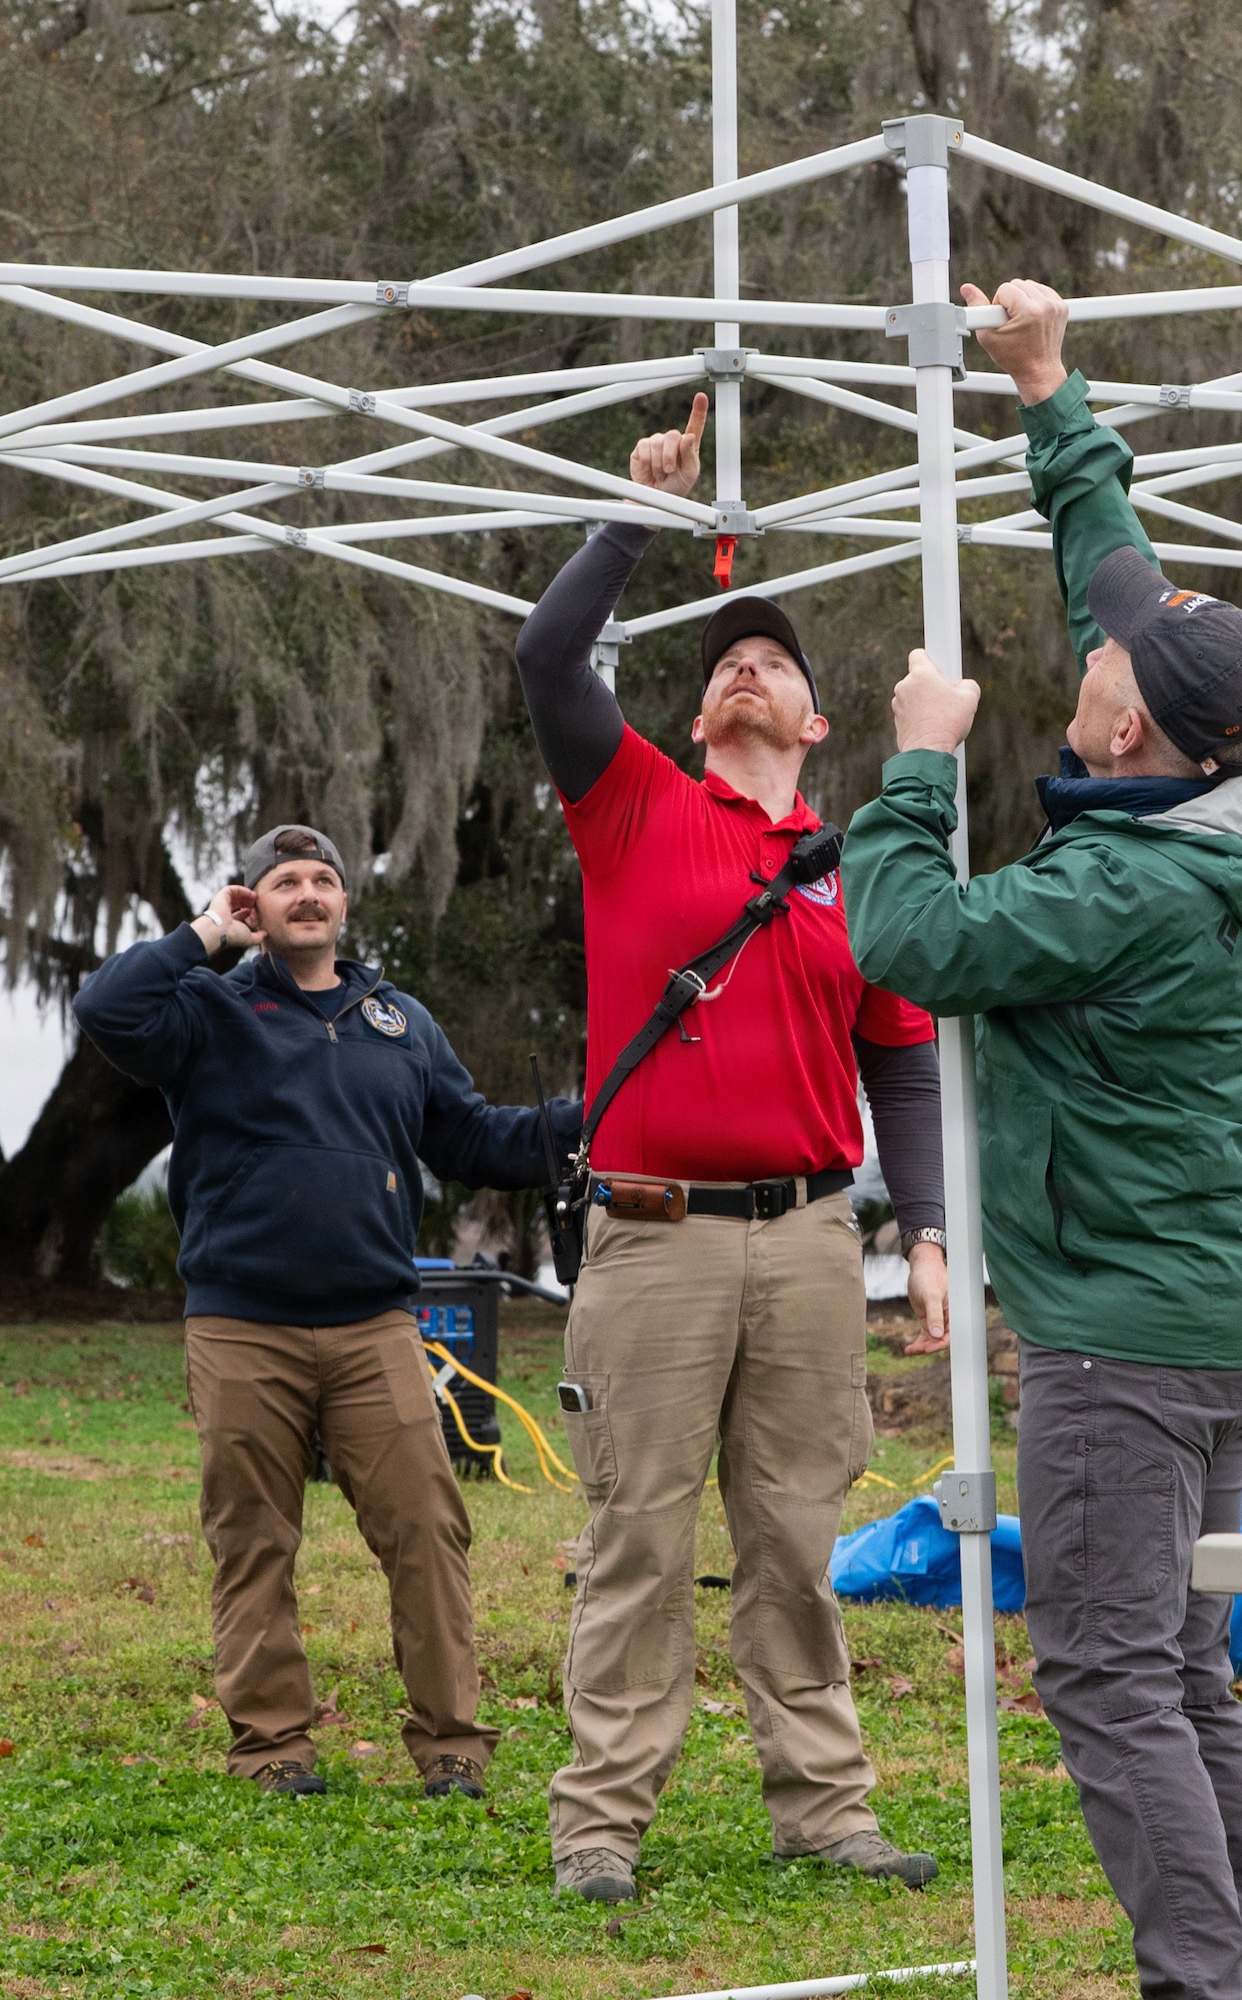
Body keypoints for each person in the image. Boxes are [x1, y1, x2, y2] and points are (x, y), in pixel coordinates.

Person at [840, 282, 1242, 2000]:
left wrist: (915, 770)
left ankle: (1206, 1986)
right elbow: (1114, 569)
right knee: (1179, 1673)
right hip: (1213, 1317)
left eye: (1098, 669)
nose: (1084, 651)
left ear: (1125, 727)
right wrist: (1048, 393)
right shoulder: (1235, 810)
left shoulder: (1120, 884)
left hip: (1120, 1345)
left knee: (1115, 1678)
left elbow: (910, 944)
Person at [512, 398, 950, 1903]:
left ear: (814, 722)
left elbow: (901, 1057)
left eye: (774, 662)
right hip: (654, 1234)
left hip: (817, 1241)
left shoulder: (855, 870)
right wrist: (629, 513)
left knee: (795, 1537)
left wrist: (929, 1234)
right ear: (695, 716)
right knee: (636, 1530)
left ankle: (823, 1808)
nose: (745, 669)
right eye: (723, 665)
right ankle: (599, 1827)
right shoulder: (630, 803)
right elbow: (544, 661)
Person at [73, 824, 578, 1801]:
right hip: (241, 1324)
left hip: (376, 1325)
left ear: (345, 903)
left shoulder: (401, 1021)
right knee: (253, 1537)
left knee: (429, 1528)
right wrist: (204, 934)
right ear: (252, 902)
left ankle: (452, 1750)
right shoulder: (206, 1009)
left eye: (323, 880)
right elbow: (105, 1007)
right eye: (284, 881)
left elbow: (471, 1136)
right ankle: (274, 1750)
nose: (307, 893)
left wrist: (579, 1120)